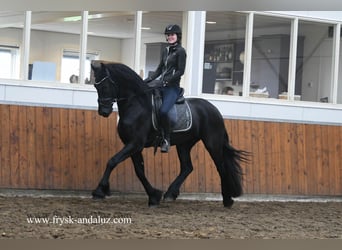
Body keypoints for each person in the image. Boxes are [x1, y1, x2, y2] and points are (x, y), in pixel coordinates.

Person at [144, 24, 187, 153]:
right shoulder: (166, 50)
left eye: (172, 35)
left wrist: (167, 81)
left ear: (177, 36)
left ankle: (167, 139)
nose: (170, 37)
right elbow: (159, 69)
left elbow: (180, 71)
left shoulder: (181, 51)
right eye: (168, 35)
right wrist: (147, 80)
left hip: (172, 88)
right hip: (160, 85)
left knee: (163, 111)